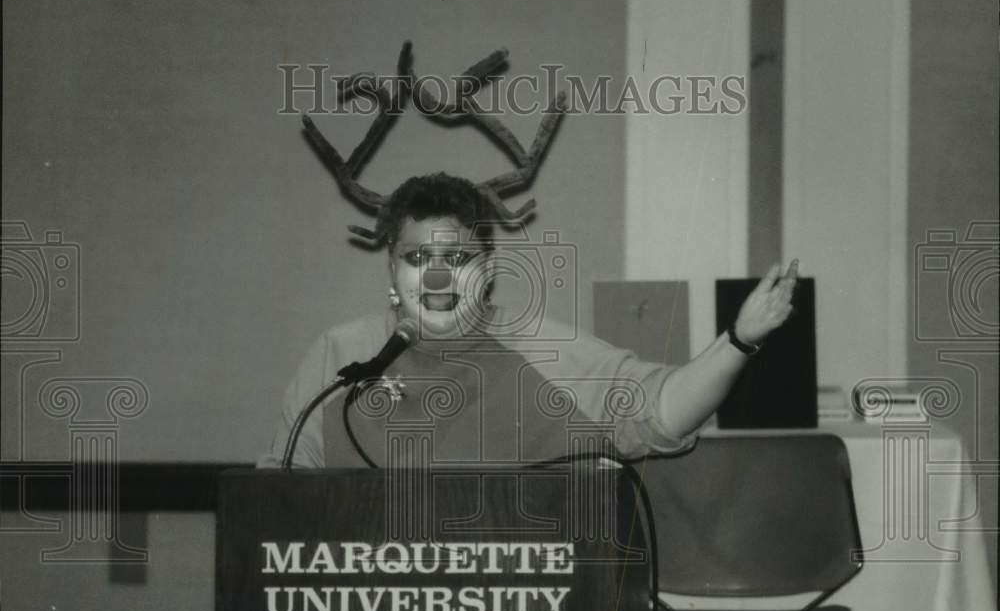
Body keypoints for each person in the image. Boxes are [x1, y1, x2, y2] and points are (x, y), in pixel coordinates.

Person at [259, 173, 798, 470]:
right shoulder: (340, 355)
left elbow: (661, 412)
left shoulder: (545, 350)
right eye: (419, 260)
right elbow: (278, 501)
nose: (439, 280)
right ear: (392, 270)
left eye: (460, 260)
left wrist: (738, 342)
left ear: (489, 271)